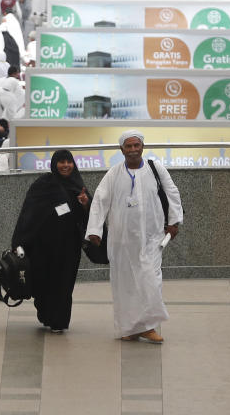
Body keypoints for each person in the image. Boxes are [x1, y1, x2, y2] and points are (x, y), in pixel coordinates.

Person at [85, 131, 183, 343]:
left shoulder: (156, 168)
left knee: (150, 281)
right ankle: (129, 329)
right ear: (121, 150)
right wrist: (95, 230)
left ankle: (148, 327)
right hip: (121, 241)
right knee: (125, 285)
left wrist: (174, 222)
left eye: (136, 145)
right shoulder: (113, 173)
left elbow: (172, 193)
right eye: (128, 147)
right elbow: (100, 201)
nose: (132, 150)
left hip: (152, 238)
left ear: (142, 147)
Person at [10, 150, 90, 333]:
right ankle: (46, 313)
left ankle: (59, 320)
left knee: (64, 284)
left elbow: (87, 216)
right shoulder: (43, 185)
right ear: (54, 164)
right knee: (43, 282)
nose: (65, 165)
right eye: (61, 162)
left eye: (68, 162)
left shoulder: (78, 185)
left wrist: (85, 203)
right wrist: (19, 242)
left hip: (69, 247)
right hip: (42, 247)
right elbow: (28, 215)